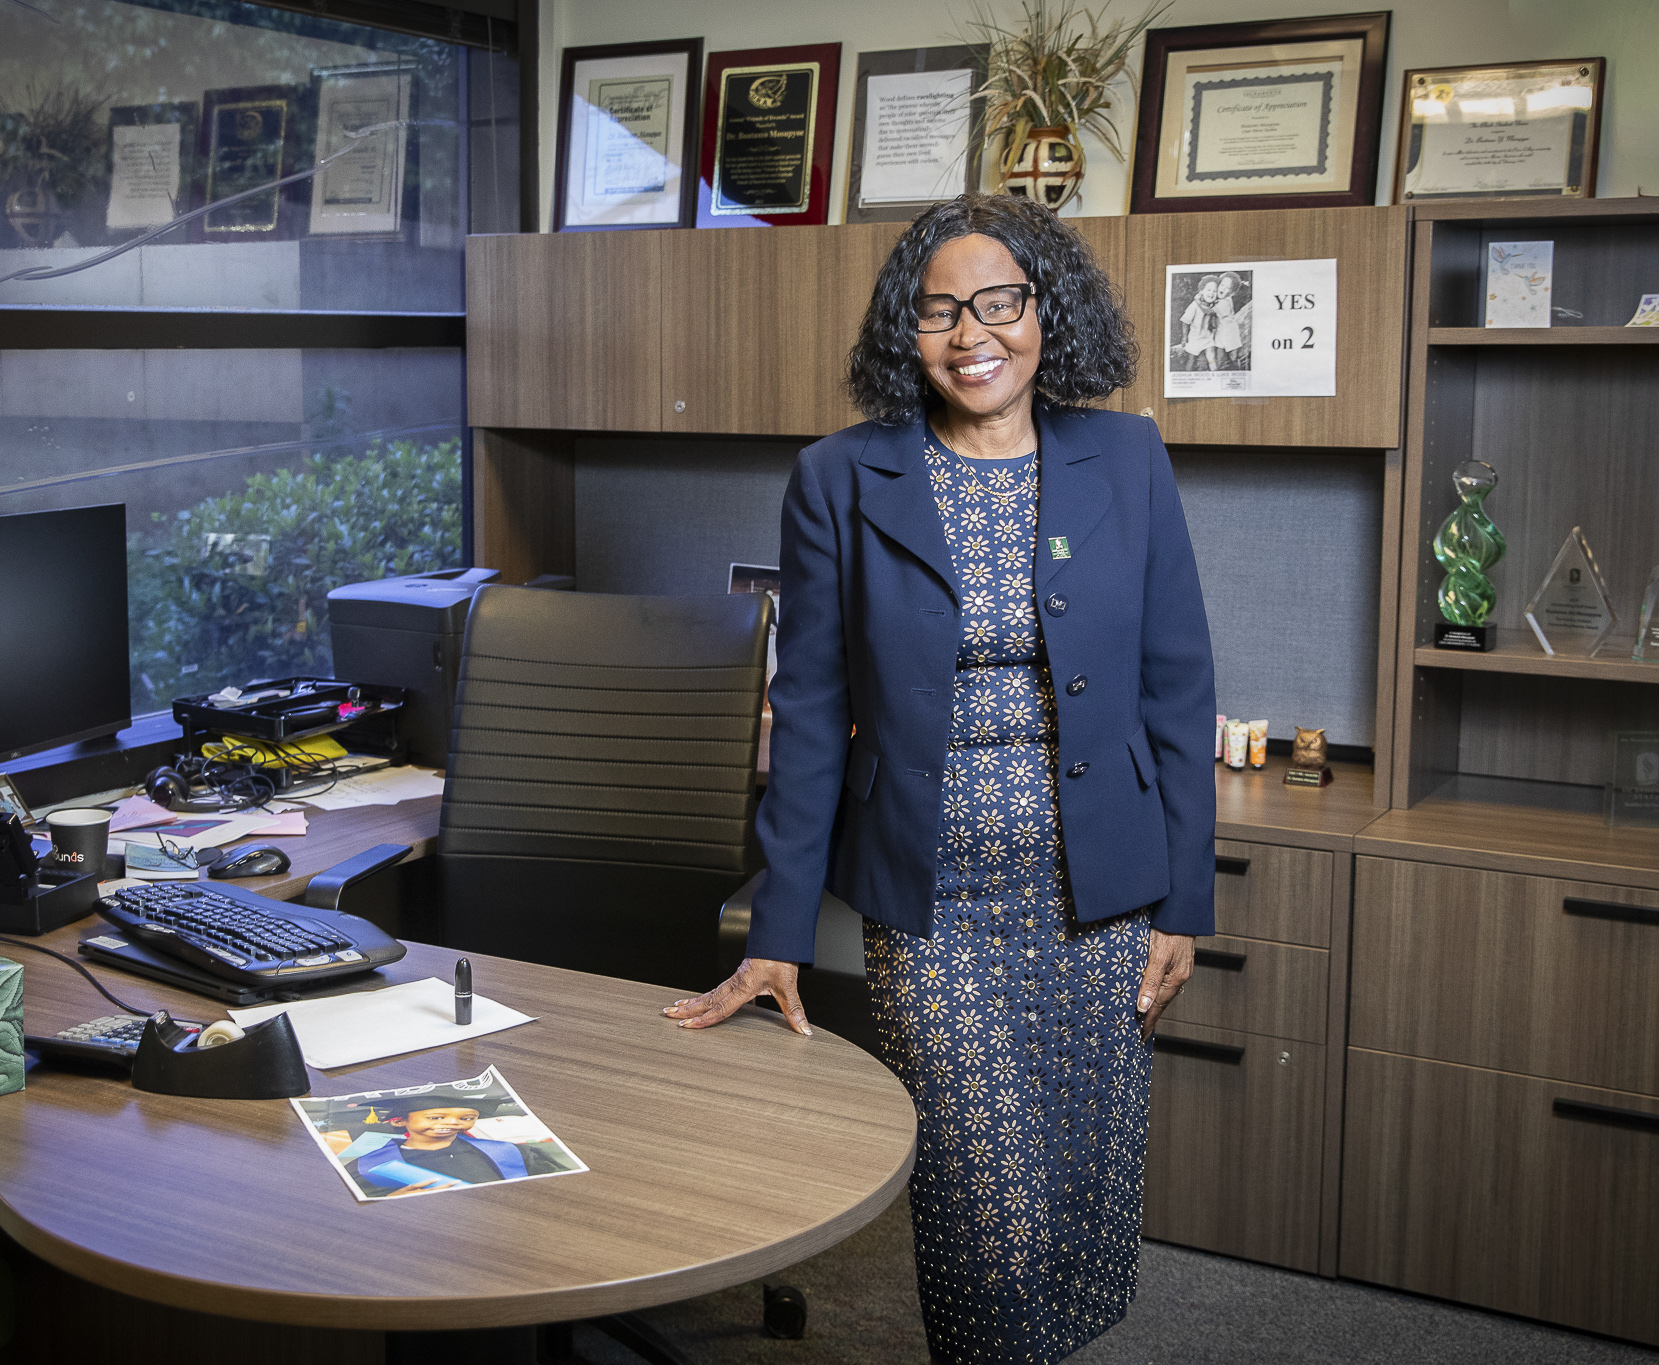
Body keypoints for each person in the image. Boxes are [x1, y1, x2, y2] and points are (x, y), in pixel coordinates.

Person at [664, 193, 1215, 1364]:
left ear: (1043, 311)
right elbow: (809, 711)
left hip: (1104, 897)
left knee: (1074, 1199)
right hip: (935, 906)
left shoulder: (1124, 454)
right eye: (937, 311)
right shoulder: (838, 477)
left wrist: (1185, 901)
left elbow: (1177, 684)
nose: (973, 333)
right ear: (903, 334)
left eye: (1000, 302)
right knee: (982, 1207)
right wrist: (774, 929)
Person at [337, 1097, 577, 1196]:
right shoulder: (366, 1167)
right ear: (399, 1120)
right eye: (436, 1117)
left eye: (466, 1118)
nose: (452, 1123)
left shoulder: (512, 1153)